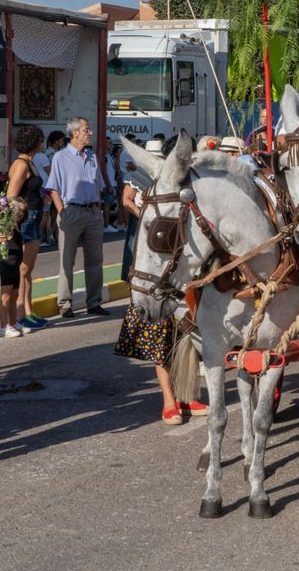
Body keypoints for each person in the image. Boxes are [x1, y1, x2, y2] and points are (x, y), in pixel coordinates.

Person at [116, 137, 205, 424]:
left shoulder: (181, 189)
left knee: (185, 338)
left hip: (178, 274)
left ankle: (188, 395)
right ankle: (169, 401)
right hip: (153, 275)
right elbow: (128, 204)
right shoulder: (145, 186)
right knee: (159, 340)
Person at [44, 116, 111, 318]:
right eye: (86, 130)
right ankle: (65, 303)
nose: (90, 133)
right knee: (67, 260)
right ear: (75, 133)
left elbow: (97, 184)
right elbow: (53, 187)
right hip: (71, 210)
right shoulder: (60, 157)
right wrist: (62, 211)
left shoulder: (91, 157)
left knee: (95, 259)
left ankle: (94, 301)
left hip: (92, 211)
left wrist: (99, 207)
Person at [5, 125, 49, 333]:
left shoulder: (29, 163)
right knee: (25, 269)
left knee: (28, 270)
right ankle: (22, 314)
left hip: (34, 216)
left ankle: (28, 311)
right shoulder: (22, 164)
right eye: (41, 139)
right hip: (27, 219)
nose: (43, 142)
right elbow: (11, 196)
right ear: (35, 142)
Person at [37, 130, 65, 246]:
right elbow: (50, 171)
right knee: (48, 212)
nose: (63, 142)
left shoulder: (55, 152)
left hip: (49, 185)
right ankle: (45, 235)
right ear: (56, 141)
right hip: (51, 185)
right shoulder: (48, 154)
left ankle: (50, 233)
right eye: (62, 140)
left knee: (52, 212)